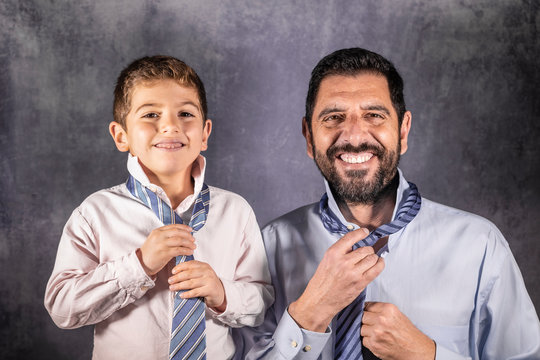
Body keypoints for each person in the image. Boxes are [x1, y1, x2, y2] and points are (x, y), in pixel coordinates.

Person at [244, 48, 540, 359]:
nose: (355, 136)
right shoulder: (270, 245)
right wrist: (310, 313)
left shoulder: (479, 245)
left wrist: (428, 355)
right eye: (334, 117)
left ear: (403, 129)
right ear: (308, 137)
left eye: (374, 115)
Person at [44, 55, 274, 360]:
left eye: (185, 114)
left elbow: (261, 302)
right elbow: (62, 307)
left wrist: (221, 293)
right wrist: (138, 266)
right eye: (151, 114)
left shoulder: (236, 211)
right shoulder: (94, 213)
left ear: (204, 133)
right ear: (121, 135)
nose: (169, 126)